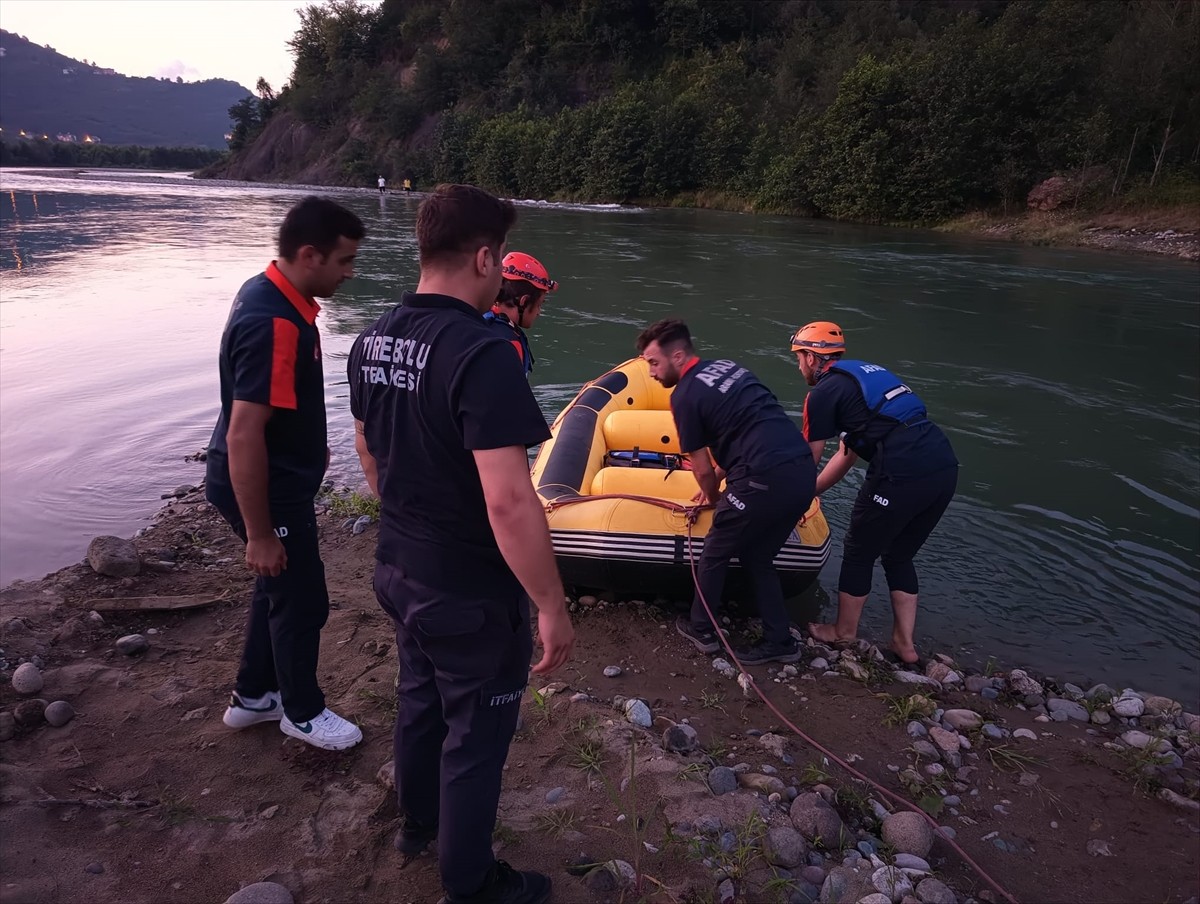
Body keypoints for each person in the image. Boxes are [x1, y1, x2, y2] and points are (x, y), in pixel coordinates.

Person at [349, 183, 574, 904]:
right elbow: (510, 500)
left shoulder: (373, 335)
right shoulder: (483, 353)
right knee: (475, 738)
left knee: (419, 700)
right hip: (469, 592)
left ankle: (417, 827)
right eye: (500, 256)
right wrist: (550, 603)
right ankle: (470, 883)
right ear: (484, 257)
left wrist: (407, 516)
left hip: (399, 567)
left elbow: (368, 449)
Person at [205, 196, 366, 750]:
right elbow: (244, 433)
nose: (349, 273)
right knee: (303, 600)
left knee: (276, 587)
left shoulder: (272, 292)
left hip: (274, 480)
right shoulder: (276, 322)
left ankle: (253, 696)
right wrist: (259, 531)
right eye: (344, 262)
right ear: (308, 254)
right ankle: (301, 712)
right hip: (266, 488)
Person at [636, 318, 817, 665]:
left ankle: (701, 629)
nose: (653, 373)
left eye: (654, 363)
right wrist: (723, 479)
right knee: (758, 557)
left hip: (761, 479)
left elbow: (702, 468)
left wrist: (719, 500)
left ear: (677, 356)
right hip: (800, 472)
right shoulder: (727, 367)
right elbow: (745, 429)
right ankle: (780, 641)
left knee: (716, 550)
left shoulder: (685, 396)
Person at [791, 322, 959, 665]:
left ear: (810, 357)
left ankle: (843, 632)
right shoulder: (864, 378)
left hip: (901, 472)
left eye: (798, 358)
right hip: (943, 466)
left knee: (858, 549)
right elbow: (847, 455)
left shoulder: (822, 394)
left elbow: (809, 459)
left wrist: (791, 499)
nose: (799, 366)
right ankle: (904, 644)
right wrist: (810, 495)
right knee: (898, 555)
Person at [484, 251, 558, 378]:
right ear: (523, 301)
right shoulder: (509, 344)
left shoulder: (479, 319)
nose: (538, 312)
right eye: (539, 304)